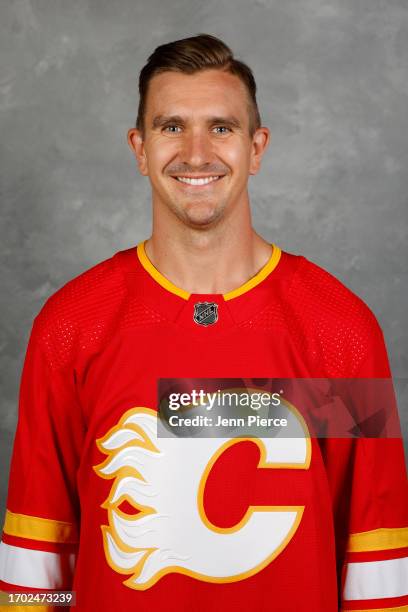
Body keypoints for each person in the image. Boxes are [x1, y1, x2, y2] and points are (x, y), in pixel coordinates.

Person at [0, 33, 407, 612]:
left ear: (257, 147)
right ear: (139, 148)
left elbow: (375, 552)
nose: (196, 153)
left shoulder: (342, 329)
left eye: (220, 127)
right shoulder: (70, 325)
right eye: (171, 127)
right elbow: (40, 552)